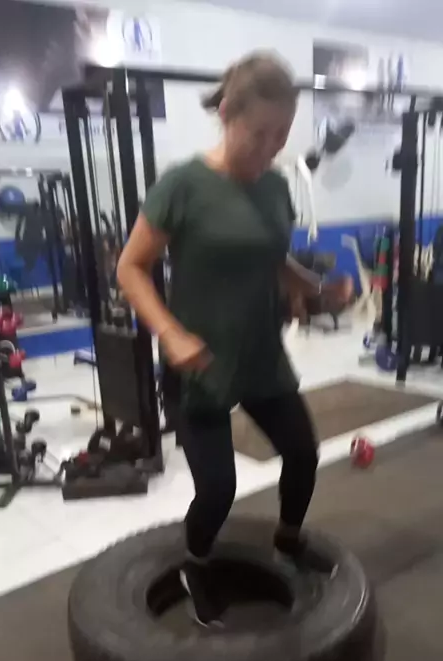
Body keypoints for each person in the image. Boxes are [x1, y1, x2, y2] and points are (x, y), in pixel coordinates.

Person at [117, 52, 353, 627]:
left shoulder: (274, 188)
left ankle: (289, 541)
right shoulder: (182, 185)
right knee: (218, 487)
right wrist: (170, 333)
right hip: (198, 365)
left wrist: (315, 288)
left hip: (260, 357)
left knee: (302, 453)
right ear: (227, 114)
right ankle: (195, 564)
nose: (271, 146)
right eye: (260, 133)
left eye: (282, 134)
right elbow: (130, 268)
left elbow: (272, 259)